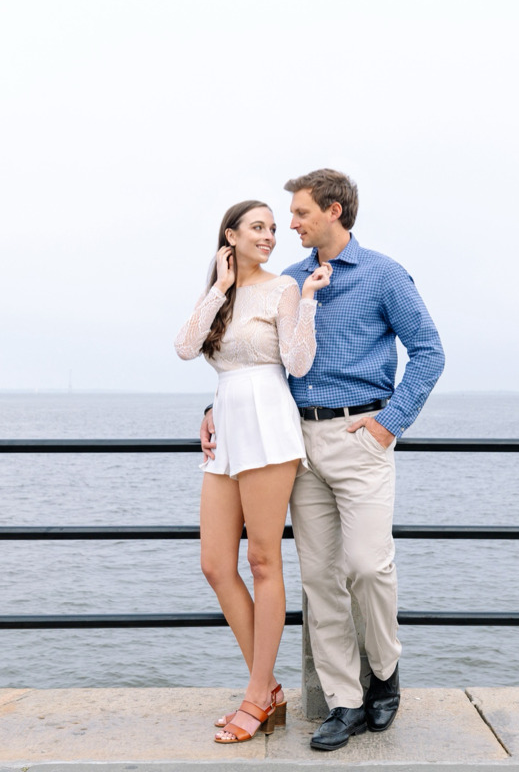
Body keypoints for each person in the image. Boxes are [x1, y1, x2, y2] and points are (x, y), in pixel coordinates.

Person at [200, 170, 445, 752]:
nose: (290, 224)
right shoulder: (287, 282)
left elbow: (430, 352)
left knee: (366, 566)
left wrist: (390, 423)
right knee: (318, 580)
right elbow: (254, 358)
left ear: (333, 211)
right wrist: (212, 409)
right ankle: (344, 702)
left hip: (361, 436)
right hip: (295, 444)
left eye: (300, 213)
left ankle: (384, 670)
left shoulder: (385, 274)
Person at [174, 200, 332, 743]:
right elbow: (184, 347)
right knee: (215, 564)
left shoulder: (283, 288)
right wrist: (220, 286)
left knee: (263, 560)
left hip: (268, 425)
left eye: (272, 228)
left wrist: (308, 300)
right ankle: (266, 690)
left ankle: (256, 693)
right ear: (231, 236)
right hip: (228, 432)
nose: (270, 236)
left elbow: (298, 362)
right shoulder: (221, 292)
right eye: (258, 228)